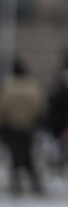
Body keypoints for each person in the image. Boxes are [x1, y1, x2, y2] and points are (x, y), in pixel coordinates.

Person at [0, 58, 46, 195]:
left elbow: (4, 107)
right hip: (29, 126)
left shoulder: (9, 86)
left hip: (14, 125)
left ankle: (16, 183)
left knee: (15, 155)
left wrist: (3, 122)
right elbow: (40, 106)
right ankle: (35, 183)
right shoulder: (33, 85)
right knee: (30, 154)